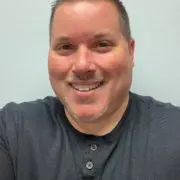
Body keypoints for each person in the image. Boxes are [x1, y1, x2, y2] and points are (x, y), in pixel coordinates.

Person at [1, 0, 180, 179]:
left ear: (130, 52)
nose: (82, 65)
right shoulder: (11, 130)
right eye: (65, 47)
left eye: (102, 44)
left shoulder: (174, 132)